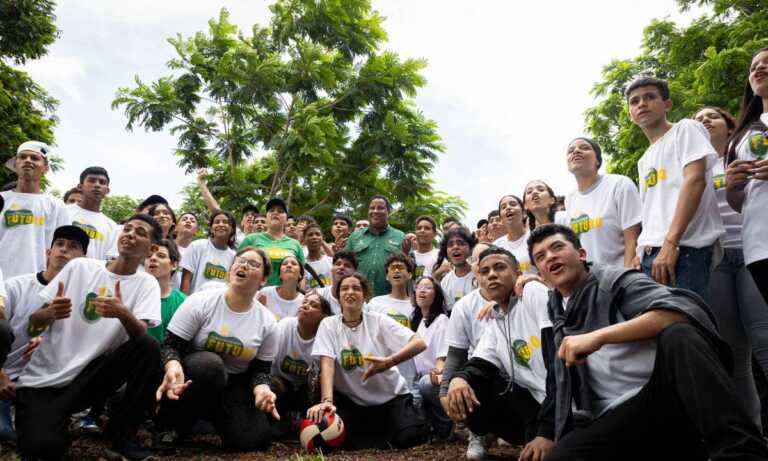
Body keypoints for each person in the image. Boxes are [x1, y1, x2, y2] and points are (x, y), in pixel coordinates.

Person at [528, 224, 768, 460]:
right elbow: (557, 382)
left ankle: (742, 451)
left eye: (557, 247)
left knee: (680, 334)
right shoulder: (555, 311)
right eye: (541, 256)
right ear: (540, 274)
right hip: (612, 416)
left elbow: (683, 310)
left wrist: (598, 337)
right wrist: (546, 432)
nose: (550, 257)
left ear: (581, 254)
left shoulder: (615, 281)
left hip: (662, 398)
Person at [16, 214, 163, 461]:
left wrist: (123, 313)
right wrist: (49, 313)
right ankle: (62, 424)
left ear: (152, 248)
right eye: (127, 229)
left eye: (140, 232)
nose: (130, 234)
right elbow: (33, 322)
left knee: (148, 347)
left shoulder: (146, 283)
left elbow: (141, 336)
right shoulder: (79, 267)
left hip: (90, 378)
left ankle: (122, 435)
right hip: (43, 381)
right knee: (42, 449)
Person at [156, 246, 278, 453]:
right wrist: (172, 365)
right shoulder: (201, 302)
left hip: (234, 382)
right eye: (240, 260)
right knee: (210, 366)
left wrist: (262, 390)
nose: (243, 265)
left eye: (253, 264)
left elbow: (261, 370)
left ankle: (212, 417)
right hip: (194, 374)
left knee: (254, 441)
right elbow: (170, 345)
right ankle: (173, 424)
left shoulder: (267, 321)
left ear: (263, 279)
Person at [695, 105, 768, 427]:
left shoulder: (751, 146)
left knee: (764, 342)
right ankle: (751, 435)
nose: (704, 121)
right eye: (697, 120)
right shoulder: (693, 166)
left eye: (711, 116)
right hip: (717, 258)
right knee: (735, 353)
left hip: (755, 251)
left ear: (729, 125)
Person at [446, 246, 554, 461]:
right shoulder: (496, 319)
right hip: (535, 407)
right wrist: (458, 379)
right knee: (472, 382)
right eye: (484, 272)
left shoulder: (532, 293)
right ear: (480, 282)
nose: (492, 275)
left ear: (517, 275)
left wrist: (547, 432)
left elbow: (560, 367)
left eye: (499, 268)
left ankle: (552, 435)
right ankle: (500, 436)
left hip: (567, 406)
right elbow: (479, 364)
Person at [306, 272, 430, 449]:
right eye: (344, 288)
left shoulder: (378, 321)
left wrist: (388, 362)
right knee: (332, 439)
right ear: (338, 296)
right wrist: (327, 401)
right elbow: (327, 364)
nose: (350, 292)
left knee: (408, 437)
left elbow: (419, 343)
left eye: (356, 288)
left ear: (365, 296)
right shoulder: (328, 325)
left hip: (391, 398)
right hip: (352, 402)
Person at [627, 76, 724, 299]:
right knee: (660, 330)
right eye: (635, 101)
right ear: (630, 114)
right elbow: (652, 209)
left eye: (650, 97)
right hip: (650, 254)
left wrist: (671, 243)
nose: (642, 104)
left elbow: (695, 180)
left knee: (684, 327)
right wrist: (639, 251)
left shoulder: (686, 129)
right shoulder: (643, 160)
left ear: (667, 104)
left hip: (685, 247)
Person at [1, 225, 89, 436]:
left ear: (84, 258)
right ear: (48, 252)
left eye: (73, 246)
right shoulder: (16, 287)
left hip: (48, 381)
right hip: (7, 376)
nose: (64, 250)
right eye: (59, 244)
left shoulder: (87, 298)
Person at [438, 240, 496, 460]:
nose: (486, 267)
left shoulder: (521, 294)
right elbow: (456, 353)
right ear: (474, 268)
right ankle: (478, 434)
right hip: (481, 370)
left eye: (492, 259)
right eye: (479, 261)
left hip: (519, 368)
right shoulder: (464, 305)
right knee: (466, 378)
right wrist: (445, 390)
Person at [726, 47, 768, 304]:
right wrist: (732, 186)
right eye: (754, 67)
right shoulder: (739, 139)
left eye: (766, 63)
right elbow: (738, 203)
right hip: (759, 244)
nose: (759, 68)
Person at [563, 138, 642, 267]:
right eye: (570, 151)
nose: (576, 151)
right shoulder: (571, 198)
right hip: (590, 281)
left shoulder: (619, 184)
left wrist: (627, 277)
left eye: (584, 148)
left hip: (620, 276)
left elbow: (633, 239)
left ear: (597, 161)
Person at [0, 141, 70, 278]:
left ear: (45, 168)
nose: (28, 160)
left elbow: (63, 249)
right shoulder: (1, 199)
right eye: (23, 157)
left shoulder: (56, 205)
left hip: (36, 283)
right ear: (15, 165)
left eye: (34, 158)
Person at [270, 291, 333, 435]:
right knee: (274, 384)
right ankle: (275, 420)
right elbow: (267, 362)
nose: (305, 306)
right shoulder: (285, 325)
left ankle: (307, 424)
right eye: (304, 302)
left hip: (306, 393)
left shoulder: (325, 337)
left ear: (323, 317)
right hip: (282, 387)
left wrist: (316, 381)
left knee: (316, 388)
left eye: (313, 305)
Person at [411, 276, 451, 440]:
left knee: (425, 384)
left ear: (436, 295)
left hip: (435, 380)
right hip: (417, 379)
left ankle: (448, 426)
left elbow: (443, 357)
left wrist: (439, 373)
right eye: (419, 287)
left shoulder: (442, 320)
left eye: (428, 288)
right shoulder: (419, 321)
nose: (422, 290)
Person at [345, 195, 406, 297]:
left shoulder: (400, 236)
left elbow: (409, 268)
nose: (375, 211)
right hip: (359, 297)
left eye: (380, 208)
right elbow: (346, 265)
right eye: (372, 208)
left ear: (389, 211)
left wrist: (406, 254)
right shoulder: (355, 237)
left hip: (388, 298)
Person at [239, 198, 305, 287]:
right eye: (271, 210)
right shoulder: (251, 239)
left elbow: (302, 276)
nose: (275, 212)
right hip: (254, 296)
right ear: (266, 217)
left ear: (286, 219)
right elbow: (237, 268)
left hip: (286, 298)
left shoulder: (295, 244)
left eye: (280, 211)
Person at [68, 166, 120, 260]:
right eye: (92, 180)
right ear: (80, 187)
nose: (97, 185)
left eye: (102, 182)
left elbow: (110, 261)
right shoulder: (64, 212)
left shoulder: (112, 227)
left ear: (107, 190)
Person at [180, 210, 237, 294]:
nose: (221, 224)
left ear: (232, 229)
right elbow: (186, 279)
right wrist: (183, 302)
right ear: (211, 229)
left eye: (225, 222)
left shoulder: (234, 257)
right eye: (217, 222)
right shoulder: (197, 246)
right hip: (194, 303)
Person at [146, 239, 187, 342]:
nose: (153, 258)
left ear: (174, 265)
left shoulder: (184, 303)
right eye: (149, 256)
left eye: (161, 256)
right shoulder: (131, 293)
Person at [437, 227, 476, 312]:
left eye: (461, 243)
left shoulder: (479, 274)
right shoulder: (445, 282)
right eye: (450, 245)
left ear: (470, 249)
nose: (455, 247)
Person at [494, 194, 536, 274]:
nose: (508, 208)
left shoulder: (535, 236)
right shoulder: (496, 246)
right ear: (501, 220)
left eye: (513, 204)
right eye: (503, 207)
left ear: (524, 213)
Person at [258, 255, 305, 320]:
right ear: (280, 275)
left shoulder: (304, 302)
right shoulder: (265, 293)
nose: (289, 266)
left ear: (300, 275)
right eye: (285, 264)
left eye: (294, 264)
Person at [317, 250, 358, 314]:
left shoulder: (358, 301)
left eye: (347, 265)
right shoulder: (319, 295)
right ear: (331, 269)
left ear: (354, 272)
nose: (341, 267)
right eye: (338, 264)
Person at [172, 211, 198, 289]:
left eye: (193, 221)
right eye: (184, 219)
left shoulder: (197, 253)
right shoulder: (165, 246)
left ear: (196, 231)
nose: (188, 221)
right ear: (175, 228)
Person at [304, 223, 333, 288]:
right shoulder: (301, 266)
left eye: (318, 234)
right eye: (310, 235)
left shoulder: (331, 261)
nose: (314, 237)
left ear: (322, 238)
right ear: (304, 239)